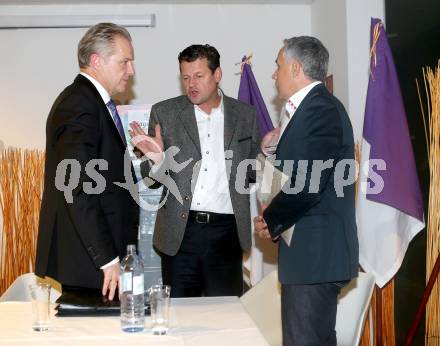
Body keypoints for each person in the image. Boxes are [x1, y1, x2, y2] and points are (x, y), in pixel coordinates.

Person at [129, 44, 260, 298]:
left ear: (217, 74)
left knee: (225, 319)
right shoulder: (164, 113)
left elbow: (252, 171)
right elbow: (150, 179)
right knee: (180, 319)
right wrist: (157, 160)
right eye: (186, 77)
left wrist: (267, 151)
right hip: (180, 234)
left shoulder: (245, 115)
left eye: (199, 76)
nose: (191, 84)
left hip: (227, 232)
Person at [254, 36, 359, 345]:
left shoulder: (320, 109)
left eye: (278, 66)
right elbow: (297, 173)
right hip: (309, 256)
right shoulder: (307, 111)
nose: (274, 74)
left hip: (316, 256)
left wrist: (270, 220)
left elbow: (307, 184)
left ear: (296, 67)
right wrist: (271, 153)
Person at [35, 23, 139, 300]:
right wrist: (107, 259)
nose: (131, 71)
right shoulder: (79, 104)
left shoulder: (93, 103)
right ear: (96, 61)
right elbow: (76, 187)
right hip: (92, 265)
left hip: (101, 261)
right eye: (125, 61)